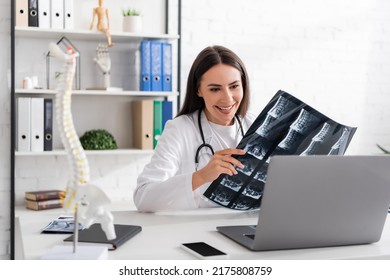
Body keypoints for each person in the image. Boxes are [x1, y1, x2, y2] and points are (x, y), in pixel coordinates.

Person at [134, 45, 256, 212]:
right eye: (215, 89)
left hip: (246, 226)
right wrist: (202, 176)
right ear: (198, 90)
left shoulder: (253, 126)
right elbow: (143, 198)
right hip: (197, 231)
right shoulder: (180, 129)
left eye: (234, 86)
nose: (227, 98)